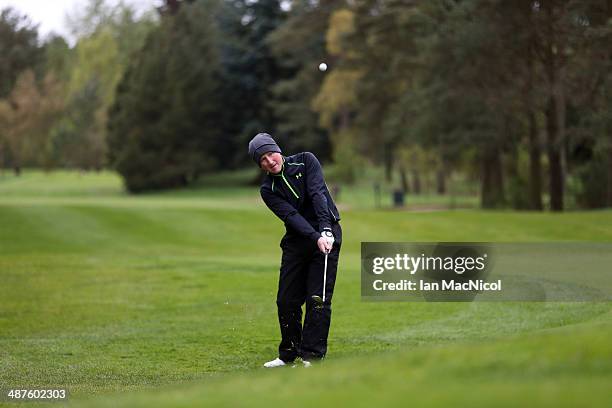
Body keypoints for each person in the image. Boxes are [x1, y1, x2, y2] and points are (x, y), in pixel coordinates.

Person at [248, 133, 342, 368]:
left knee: (317, 298)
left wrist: (325, 230)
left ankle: (312, 355)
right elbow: (290, 215)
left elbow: (317, 193)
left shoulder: (305, 160)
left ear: (277, 150)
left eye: (270, 154)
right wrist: (314, 236)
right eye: (263, 160)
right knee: (286, 300)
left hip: (327, 233)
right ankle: (288, 354)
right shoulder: (267, 189)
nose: (270, 161)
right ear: (260, 165)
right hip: (298, 240)